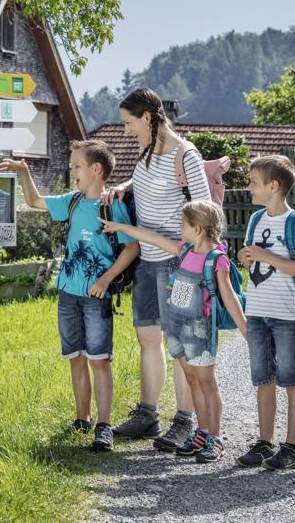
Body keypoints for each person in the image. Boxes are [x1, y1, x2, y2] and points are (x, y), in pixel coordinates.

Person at [0, 140, 139, 452]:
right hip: (68, 294)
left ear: (96, 169)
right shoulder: (72, 202)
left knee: (99, 361)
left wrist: (106, 279)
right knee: (75, 357)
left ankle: (104, 427)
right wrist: (23, 170)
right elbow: (34, 201)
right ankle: (82, 419)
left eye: (76, 166)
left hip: (96, 296)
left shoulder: (111, 205)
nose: (71, 171)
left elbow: (132, 247)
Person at [104, 88, 214, 452]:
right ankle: (148, 415)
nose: (125, 130)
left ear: (148, 118)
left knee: (180, 344)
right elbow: (150, 182)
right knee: (147, 338)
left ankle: (184, 421)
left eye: (128, 122)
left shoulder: (187, 155)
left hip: (178, 263)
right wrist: (124, 185)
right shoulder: (147, 151)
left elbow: (207, 212)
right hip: (147, 262)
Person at [101, 200, 246, 462]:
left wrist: (246, 329)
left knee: (207, 383)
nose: (179, 228)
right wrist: (119, 226)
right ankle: (202, 432)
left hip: (199, 330)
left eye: (183, 224)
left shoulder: (217, 259)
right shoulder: (185, 250)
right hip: (177, 327)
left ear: (199, 228)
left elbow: (230, 296)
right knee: (192, 381)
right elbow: (153, 238)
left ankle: (216, 437)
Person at [234, 155, 295, 471]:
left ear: (273, 186)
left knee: (291, 379)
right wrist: (245, 257)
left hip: (285, 315)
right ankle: (265, 443)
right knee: (262, 379)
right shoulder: (256, 220)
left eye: (253, 182)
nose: (249, 187)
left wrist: (266, 255)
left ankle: (291, 448)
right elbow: (253, 258)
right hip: (257, 313)